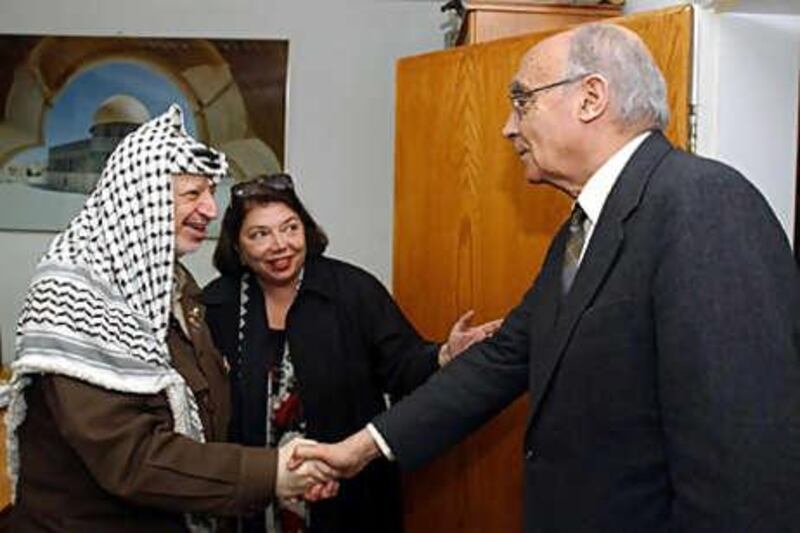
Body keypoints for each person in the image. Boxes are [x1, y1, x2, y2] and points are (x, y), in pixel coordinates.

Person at [292, 22, 800, 531]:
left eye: (522, 100)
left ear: (590, 98)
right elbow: (504, 357)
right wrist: (361, 448)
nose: (507, 127)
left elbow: (746, 452)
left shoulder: (703, 202)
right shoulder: (583, 230)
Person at [6, 105, 335, 532]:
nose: (211, 210)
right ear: (144, 196)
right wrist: (270, 473)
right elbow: (132, 458)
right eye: (192, 194)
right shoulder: (75, 295)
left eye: (210, 193)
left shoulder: (174, 286)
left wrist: (277, 467)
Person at [202, 173, 501, 532]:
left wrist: (442, 355)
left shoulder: (352, 291)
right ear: (238, 247)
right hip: (251, 501)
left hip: (348, 498)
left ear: (306, 230)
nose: (280, 245)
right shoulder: (215, 305)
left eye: (290, 228)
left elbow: (403, 366)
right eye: (259, 234)